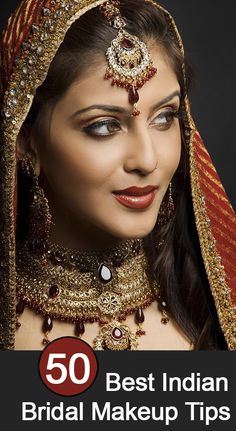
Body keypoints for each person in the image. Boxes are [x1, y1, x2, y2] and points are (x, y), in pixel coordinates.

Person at [0, 0, 235, 351]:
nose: (147, 159)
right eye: (104, 126)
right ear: (25, 142)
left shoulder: (216, 307)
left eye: (164, 118)